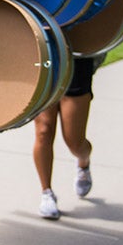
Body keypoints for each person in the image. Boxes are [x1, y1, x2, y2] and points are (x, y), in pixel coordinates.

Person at [33, 56, 101, 220]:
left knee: (75, 141)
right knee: (43, 130)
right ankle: (46, 193)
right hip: (45, 56)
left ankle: (83, 162)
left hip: (76, 57)